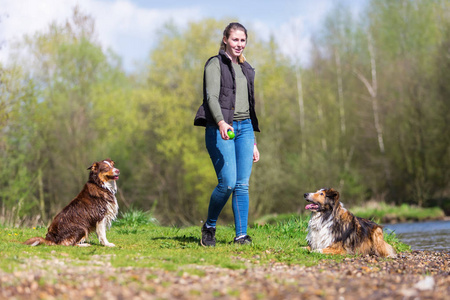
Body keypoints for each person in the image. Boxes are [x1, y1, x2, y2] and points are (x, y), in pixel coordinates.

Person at [194, 22, 260, 247]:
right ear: (225, 40)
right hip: (222, 128)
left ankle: (241, 235)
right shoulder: (215, 64)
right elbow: (211, 97)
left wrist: (253, 142)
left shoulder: (247, 68)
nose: (239, 44)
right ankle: (210, 226)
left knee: (242, 185)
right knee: (228, 182)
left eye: (243, 40)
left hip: (245, 129)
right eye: (235, 40)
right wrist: (221, 122)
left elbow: (248, 106)